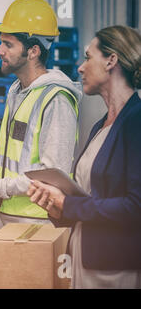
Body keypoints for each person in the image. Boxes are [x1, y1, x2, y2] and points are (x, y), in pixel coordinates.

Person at [27, 25, 141, 289]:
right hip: (84, 258)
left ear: (111, 60)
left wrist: (69, 205)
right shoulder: (101, 126)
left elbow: (135, 206)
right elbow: (94, 198)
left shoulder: (136, 122)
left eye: (88, 57)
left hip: (116, 271)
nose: (80, 67)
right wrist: (57, 207)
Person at [0, 0, 82, 232]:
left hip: (38, 220)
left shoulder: (56, 99)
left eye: (8, 44)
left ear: (33, 51)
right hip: (8, 216)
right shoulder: (17, 92)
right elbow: (17, 162)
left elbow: (50, 176)